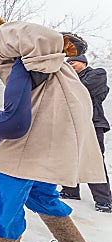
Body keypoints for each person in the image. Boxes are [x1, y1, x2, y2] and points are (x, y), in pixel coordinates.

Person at [0, 14, 104, 242]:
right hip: (60, 119)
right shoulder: (19, 55)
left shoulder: (3, 35)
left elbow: (44, 38)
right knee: (39, 190)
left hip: (45, 118)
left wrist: (57, 47)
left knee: (4, 179)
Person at [59, 55, 112, 213]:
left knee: (93, 159)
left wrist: (65, 86)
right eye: (68, 64)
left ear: (84, 62)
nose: (71, 66)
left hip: (92, 123)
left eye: (73, 62)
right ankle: (70, 190)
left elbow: (80, 91)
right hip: (72, 123)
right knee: (68, 156)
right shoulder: (69, 79)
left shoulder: (97, 74)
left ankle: (104, 200)